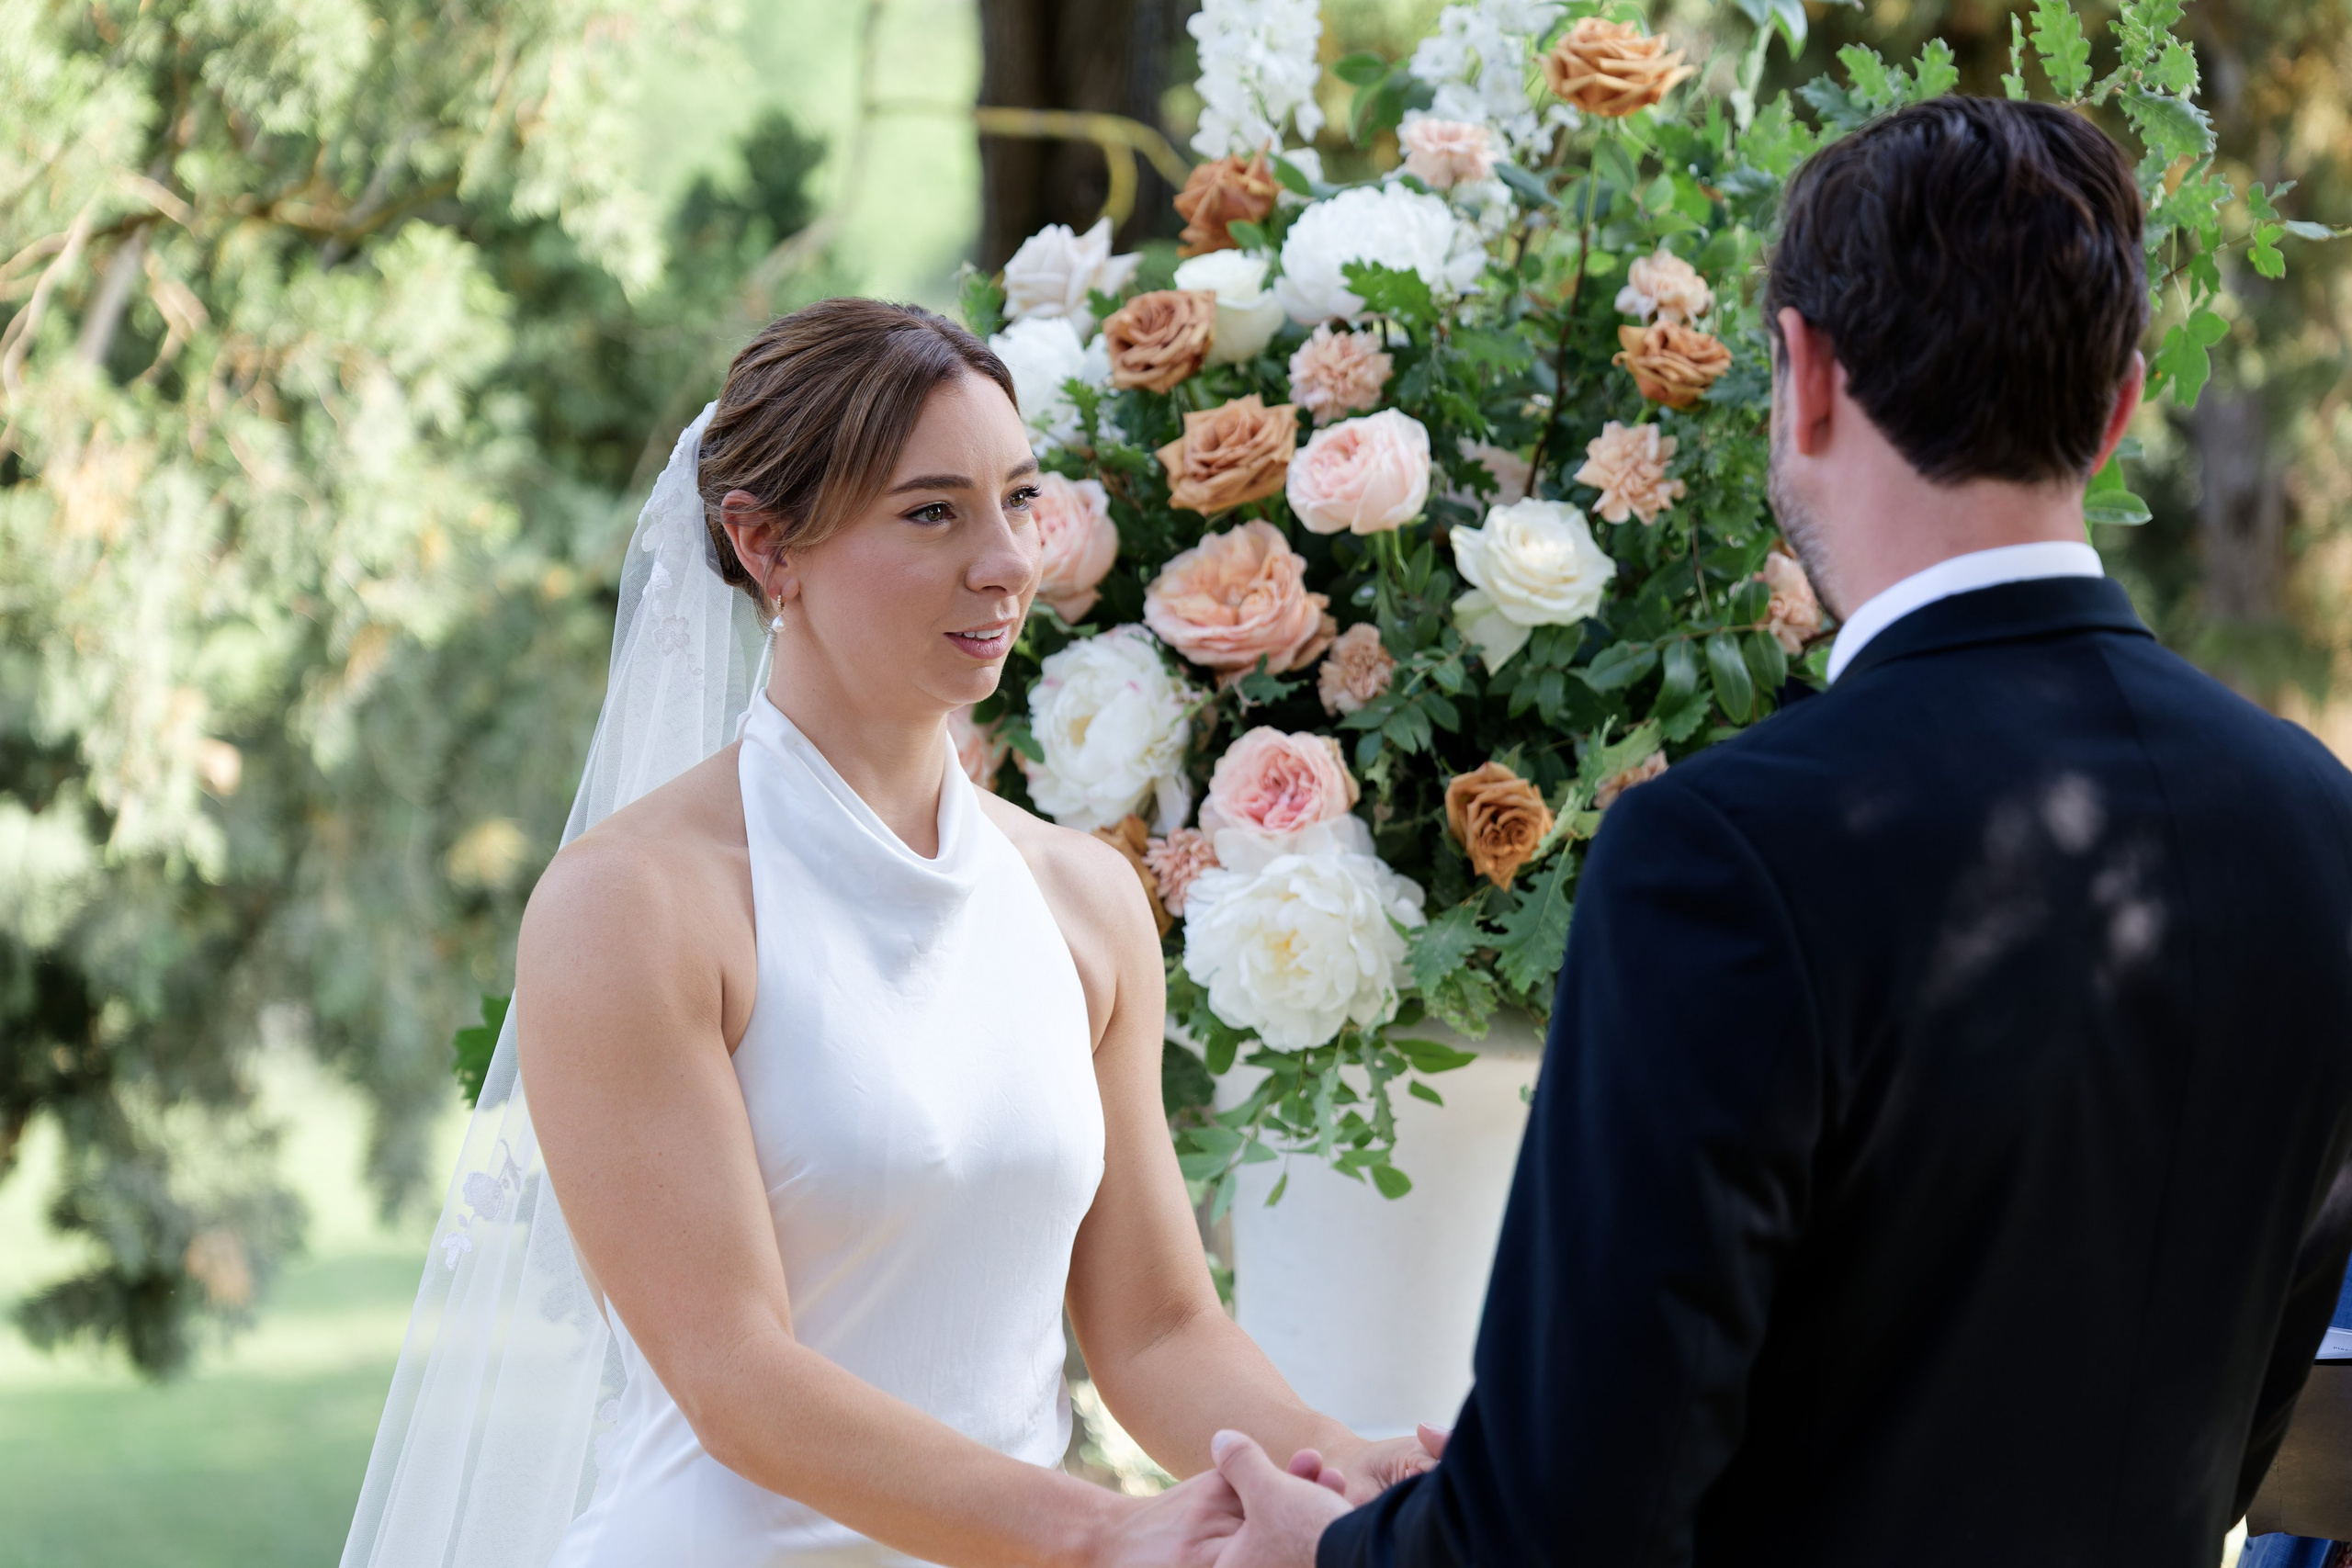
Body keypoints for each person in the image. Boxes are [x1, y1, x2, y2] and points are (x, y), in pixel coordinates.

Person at [1198, 96, 2352, 1568]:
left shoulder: (1726, 855)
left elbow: (1564, 1538)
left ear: (1803, 375)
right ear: (2121, 407)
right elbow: (2226, 1415)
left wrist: (1329, 1549)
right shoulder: (2315, 821)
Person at [340, 298, 1430, 1568]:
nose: (1010, 561)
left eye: (1019, 499)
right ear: (765, 546)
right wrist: (1105, 1537)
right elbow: (736, 1377)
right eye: (933, 513)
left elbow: (1157, 1331)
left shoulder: (1086, 900)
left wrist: (1333, 1465)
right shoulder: (631, 908)